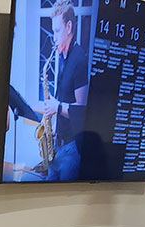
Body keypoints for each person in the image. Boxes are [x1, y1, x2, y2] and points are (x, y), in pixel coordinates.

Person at [42, 0, 88, 181]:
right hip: (57, 145)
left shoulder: (79, 60)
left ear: (69, 27)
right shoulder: (62, 56)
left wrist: (57, 107)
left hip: (70, 150)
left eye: (57, 31)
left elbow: (81, 110)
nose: (54, 37)